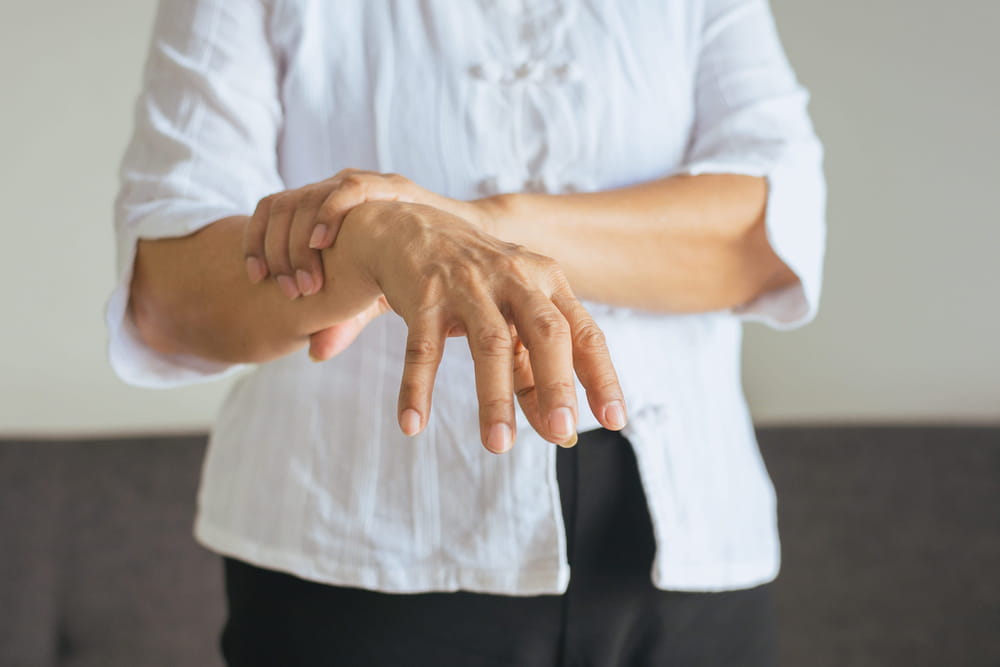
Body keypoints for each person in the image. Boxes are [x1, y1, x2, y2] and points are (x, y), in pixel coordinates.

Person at [107, 0, 825, 664]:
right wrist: (366, 246)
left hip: (689, 563)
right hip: (354, 564)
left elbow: (766, 235)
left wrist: (466, 227)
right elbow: (168, 297)